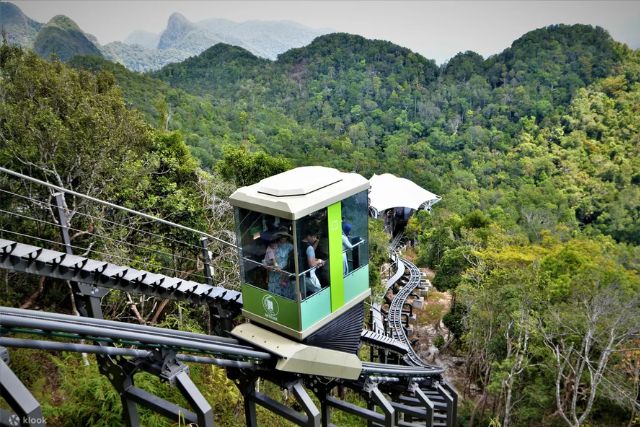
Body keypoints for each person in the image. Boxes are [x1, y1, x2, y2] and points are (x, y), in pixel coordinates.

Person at [264, 232, 294, 299]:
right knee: (275, 291)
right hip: (275, 271)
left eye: (284, 237)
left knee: (285, 290)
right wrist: (276, 267)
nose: (283, 238)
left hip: (283, 272)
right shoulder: (273, 246)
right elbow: (272, 261)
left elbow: (296, 249)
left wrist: (289, 235)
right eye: (281, 236)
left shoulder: (289, 246)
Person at [301, 229, 324, 297]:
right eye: (314, 237)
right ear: (308, 236)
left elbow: (310, 253)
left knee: (305, 294)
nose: (315, 239)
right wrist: (320, 261)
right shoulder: (309, 248)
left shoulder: (300, 243)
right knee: (319, 291)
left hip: (301, 274)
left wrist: (317, 242)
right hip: (309, 275)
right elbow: (312, 264)